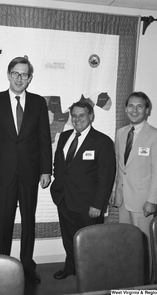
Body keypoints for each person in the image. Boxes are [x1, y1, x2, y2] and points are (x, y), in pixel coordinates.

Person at [0, 56, 52, 284]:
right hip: (3, 173)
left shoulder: (39, 103)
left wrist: (46, 170)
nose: (20, 78)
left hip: (30, 173)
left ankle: (27, 267)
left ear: (30, 78)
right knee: (4, 222)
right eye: (16, 73)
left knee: (28, 222)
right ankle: (3, 266)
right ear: (8, 74)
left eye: (24, 74)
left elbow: (44, 138)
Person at [50, 101, 116, 280]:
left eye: (82, 115)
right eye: (74, 115)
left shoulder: (102, 141)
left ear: (91, 116)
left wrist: (98, 204)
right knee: (68, 237)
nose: (77, 119)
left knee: (91, 241)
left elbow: (106, 177)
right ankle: (71, 267)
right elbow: (60, 165)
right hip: (63, 198)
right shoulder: (64, 137)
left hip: (89, 204)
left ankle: (91, 274)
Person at [110, 91, 157, 282]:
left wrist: (152, 200)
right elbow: (120, 167)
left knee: (145, 245)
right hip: (123, 199)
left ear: (147, 110)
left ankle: (148, 282)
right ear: (126, 109)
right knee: (126, 242)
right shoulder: (120, 133)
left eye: (139, 106)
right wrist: (114, 190)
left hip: (143, 202)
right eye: (131, 106)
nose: (134, 110)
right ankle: (128, 277)